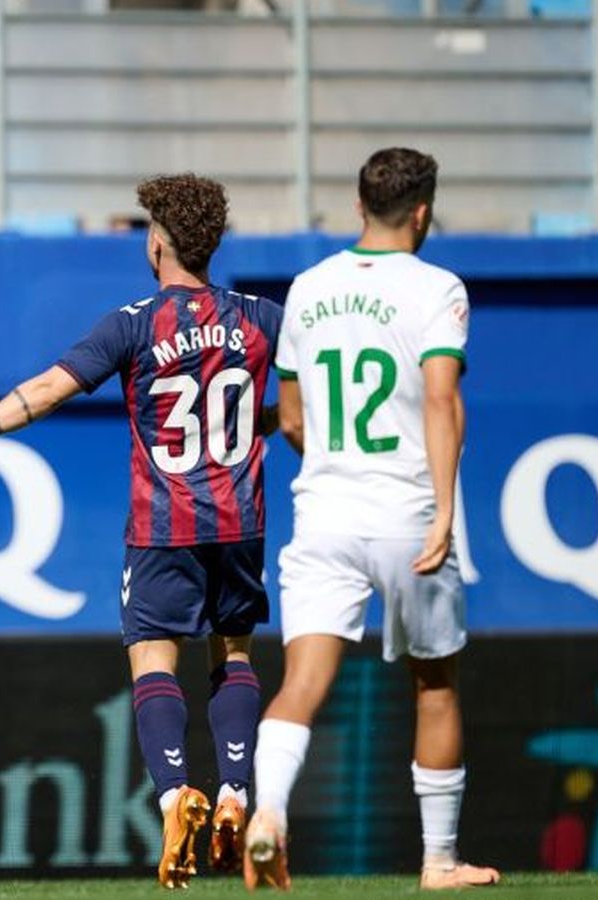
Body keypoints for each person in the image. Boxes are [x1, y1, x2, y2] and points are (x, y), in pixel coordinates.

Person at [0, 174, 282, 889]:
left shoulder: (131, 323)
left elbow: (47, 391)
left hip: (164, 528)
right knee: (235, 655)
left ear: (157, 242)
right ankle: (234, 793)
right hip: (240, 523)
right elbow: (317, 379)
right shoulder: (261, 317)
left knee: (154, 663)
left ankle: (173, 796)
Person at [244, 148, 500, 892]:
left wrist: (323, 445)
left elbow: (290, 417)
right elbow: (442, 399)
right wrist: (446, 512)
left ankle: (270, 814)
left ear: (359, 206)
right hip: (407, 513)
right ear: (422, 213)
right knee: (436, 684)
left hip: (323, 511)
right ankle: (440, 860)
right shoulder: (438, 287)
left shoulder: (308, 287)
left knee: (301, 682)